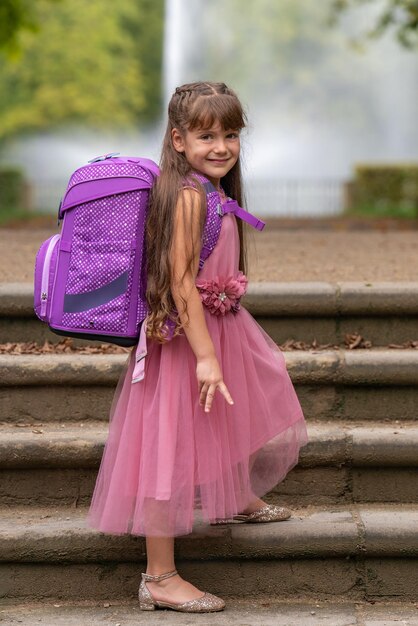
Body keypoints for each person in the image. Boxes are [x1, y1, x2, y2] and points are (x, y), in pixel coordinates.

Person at [87, 81, 308, 613]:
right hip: (189, 338)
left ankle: (233, 494)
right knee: (167, 446)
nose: (221, 146)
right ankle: (159, 576)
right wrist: (206, 356)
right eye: (206, 134)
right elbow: (181, 280)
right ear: (178, 139)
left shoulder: (212, 192)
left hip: (219, 326)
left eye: (231, 134)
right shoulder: (187, 195)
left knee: (254, 394)